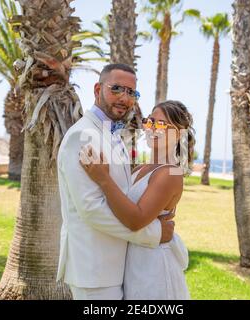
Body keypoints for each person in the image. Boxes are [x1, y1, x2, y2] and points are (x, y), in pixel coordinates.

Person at [56, 63, 175, 300]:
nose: (124, 97)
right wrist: (153, 233)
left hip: (115, 266)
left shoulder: (111, 133)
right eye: (117, 89)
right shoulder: (82, 136)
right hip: (94, 269)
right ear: (98, 89)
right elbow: (91, 209)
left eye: (131, 92)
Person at [80, 100, 194, 300]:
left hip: (155, 266)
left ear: (179, 133)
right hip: (134, 262)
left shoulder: (171, 173)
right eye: (150, 121)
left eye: (161, 124)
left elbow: (136, 219)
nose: (152, 128)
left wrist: (103, 178)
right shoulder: (140, 169)